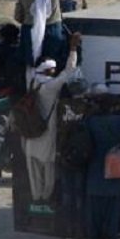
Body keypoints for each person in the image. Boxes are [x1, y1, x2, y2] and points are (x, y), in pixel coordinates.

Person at [24, 32, 81, 214]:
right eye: (53, 69)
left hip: (30, 134)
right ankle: (45, 199)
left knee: (33, 170)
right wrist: (72, 48)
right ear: (49, 71)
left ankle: (36, 199)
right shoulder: (50, 87)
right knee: (48, 168)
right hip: (46, 133)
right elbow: (69, 71)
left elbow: (29, 65)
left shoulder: (31, 80)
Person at [84, 85, 120, 239]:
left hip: (95, 167)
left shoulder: (91, 121)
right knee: (113, 207)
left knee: (94, 208)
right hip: (115, 166)